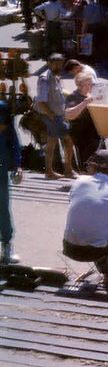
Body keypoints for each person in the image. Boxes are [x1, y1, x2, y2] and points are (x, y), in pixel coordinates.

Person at [62, 150, 108, 287]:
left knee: (97, 228)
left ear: (93, 167)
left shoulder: (79, 181)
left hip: (70, 247)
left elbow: (76, 205)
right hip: (95, 250)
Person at [37, 53, 77, 179]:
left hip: (56, 115)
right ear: (50, 63)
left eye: (61, 63)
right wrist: (51, 115)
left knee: (52, 142)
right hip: (53, 116)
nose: (60, 66)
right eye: (57, 63)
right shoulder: (45, 78)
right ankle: (68, 170)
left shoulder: (56, 76)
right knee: (68, 140)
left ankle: (49, 171)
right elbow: (41, 100)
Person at [0, 99, 24, 264]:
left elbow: (13, 139)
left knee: (2, 207)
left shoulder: (2, 108)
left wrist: (17, 165)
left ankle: (7, 245)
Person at [64, 71, 102, 167]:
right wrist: (84, 103)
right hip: (81, 133)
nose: (89, 87)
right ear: (78, 85)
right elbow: (68, 114)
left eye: (90, 84)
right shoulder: (73, 96)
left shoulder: (90, 95)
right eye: (86, 85)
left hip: (94, 131)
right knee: (87, 159)